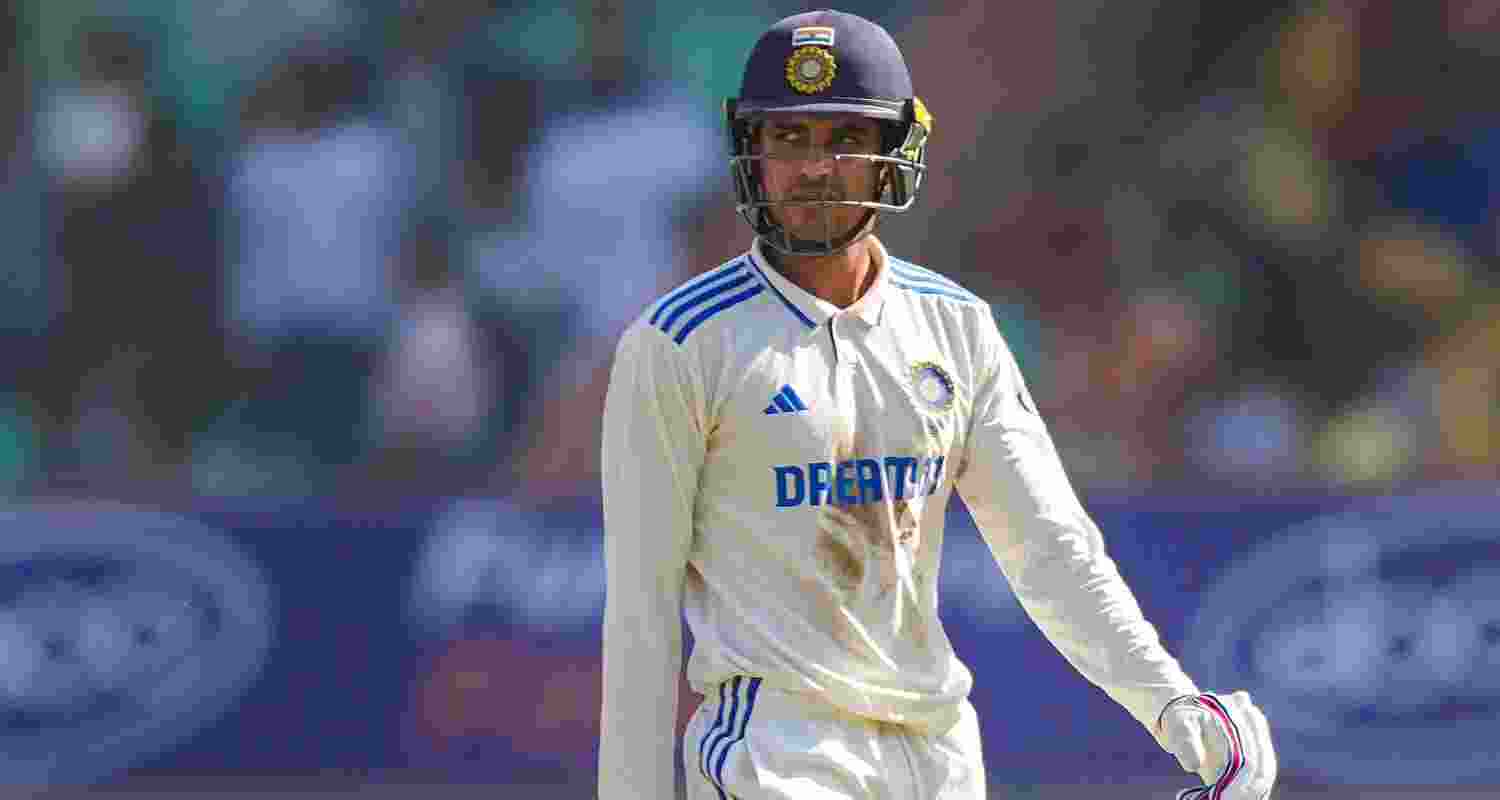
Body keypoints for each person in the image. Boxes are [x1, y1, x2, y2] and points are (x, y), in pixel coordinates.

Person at [598, 10, 1276, 800]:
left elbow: (1051, 550)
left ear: (897, 153)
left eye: (843, 138)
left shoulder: (954, 325)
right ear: (752, 151)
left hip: (939, 753)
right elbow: (641, 616)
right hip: (776, 750)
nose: (814, 167)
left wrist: (1170, 705)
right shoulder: (679, 342)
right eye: (788, 139)